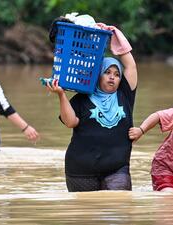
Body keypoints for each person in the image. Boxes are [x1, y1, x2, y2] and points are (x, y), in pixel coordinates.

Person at [46, 25, 137, 192]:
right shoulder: (82, 98)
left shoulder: (125, 94)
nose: (112, 77)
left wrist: (114, 34)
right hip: (81, 171)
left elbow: (130, 66)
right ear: (97, 75)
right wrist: (61, 95)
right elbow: (70, 122)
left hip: (117, 169)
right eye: (107, 72)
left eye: (116, 74)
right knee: (87, 216)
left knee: (119, 208)